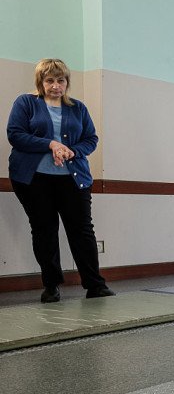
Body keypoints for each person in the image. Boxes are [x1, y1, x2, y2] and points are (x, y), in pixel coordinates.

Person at [7, 58, 115, 303]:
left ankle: (95, 285)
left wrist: (72, 151)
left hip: (73, 179)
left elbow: (91, 139)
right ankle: (51, 285)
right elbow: (16, 134)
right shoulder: (26, 103)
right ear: (41, 82)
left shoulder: (78, 108)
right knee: (44, 230)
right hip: (34, 180)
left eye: (60, 80)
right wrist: (51, 144)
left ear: (67, 83)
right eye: (50, 80)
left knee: (82, 231)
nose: (56, 85)